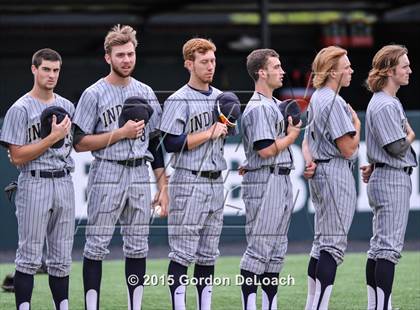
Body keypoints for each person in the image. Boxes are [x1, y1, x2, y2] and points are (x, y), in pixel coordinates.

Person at [72, 24, 168, 310]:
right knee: (96, 245)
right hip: (108, 170)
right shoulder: (94, 93)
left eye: (130, 54)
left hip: (140, 171)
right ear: (108, 58)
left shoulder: (146, 92)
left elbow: (155, 144)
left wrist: (163, 186)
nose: (126, 59)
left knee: (138, 246)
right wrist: (120, 133)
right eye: (120, 55)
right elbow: (78, 142)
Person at [159, 38, 235, 310]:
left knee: (208, 255)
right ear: (189, 64)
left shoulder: (220, 98)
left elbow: (229, 132)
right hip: (189, 179)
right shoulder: (178, 99)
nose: (210, 66)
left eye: (213, 61)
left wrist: (228, 123)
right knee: (182, 253)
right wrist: (208, 132)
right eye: (204, 62)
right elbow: (169, 143)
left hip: (216, 181)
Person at [0, 48, 75, 310]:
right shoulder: (19, 109)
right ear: (34, 69)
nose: (51, 75)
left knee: (62, 258)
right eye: (46, 69)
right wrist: (51, 138)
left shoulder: (67, 106)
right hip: (34, 181)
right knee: (29, 256)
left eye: (56, 70)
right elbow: (18, 156)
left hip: (64, 181)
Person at [239, 49, 301, 310]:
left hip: (280, 179)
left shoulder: (275, 105)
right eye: (276, 66)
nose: (281, 70)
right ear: (261, 72)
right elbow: (264, 150)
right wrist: (292, 136)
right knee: (259, 251)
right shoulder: (259, 107)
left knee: (275, 253)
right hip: (266, 181)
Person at [302, 46, 360, 310]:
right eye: (346, 66)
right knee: (332, 246)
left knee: (321, 244)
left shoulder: (317, 97)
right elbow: (348, 149)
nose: (350, 70)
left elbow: (307, 142)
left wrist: (310, 161)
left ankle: (312, 305)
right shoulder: (333, 100)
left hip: (321, 170)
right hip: (335, 171)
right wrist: (357, 128)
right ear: (333, 71)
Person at [360, 44, 416, 310]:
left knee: (380, 248)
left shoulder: (389, 100)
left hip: (387, 173)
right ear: (390, 70)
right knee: (387, 250)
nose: (409, 70)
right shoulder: (383, 103)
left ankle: (377, 305)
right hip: (391, 177)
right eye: (404, 66)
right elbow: (395, 147)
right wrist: (410, 135)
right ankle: (381, 306)